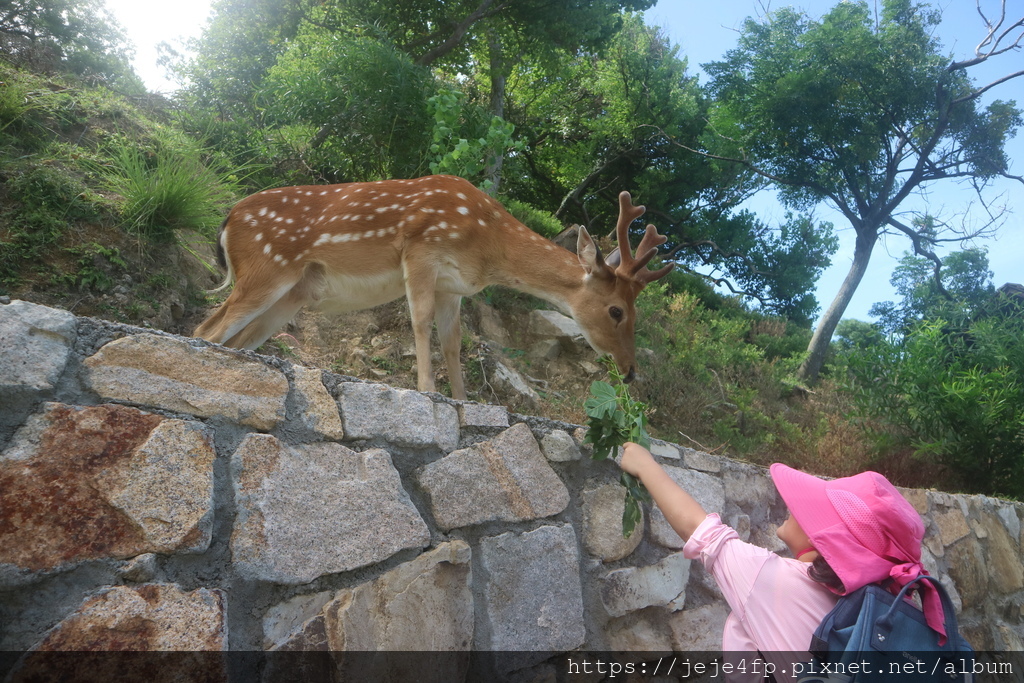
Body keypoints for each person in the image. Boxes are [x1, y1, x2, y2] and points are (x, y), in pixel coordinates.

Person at [618, 442, 944, 680]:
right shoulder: (886, 614)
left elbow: (701, 531)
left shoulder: (777, 582)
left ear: (827, 541)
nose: (795, 505)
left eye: (814, 511)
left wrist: (645, 465)